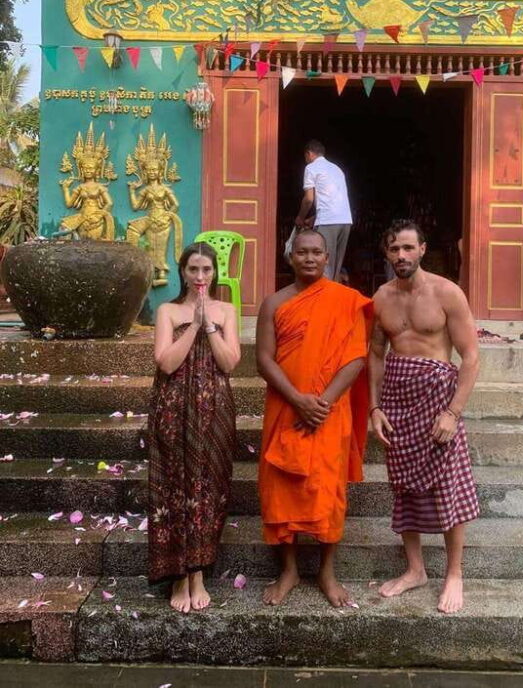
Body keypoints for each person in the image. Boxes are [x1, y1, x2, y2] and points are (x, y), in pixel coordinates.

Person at [368, 219, 479, 614]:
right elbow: (377, 353)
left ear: (423, 249)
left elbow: (471, 357)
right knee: (403, 486)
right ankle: (415, 569)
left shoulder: (447, 293)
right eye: (394, 248)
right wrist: (375, 407)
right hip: (397, 398)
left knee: (448, 485)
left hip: (438, 399)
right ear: (387, 252)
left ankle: (454, 573)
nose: (402, 255)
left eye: (408, 248)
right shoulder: (381, 297)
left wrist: (453, 412)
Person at [256, 229, 372, 607]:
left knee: (328, 488)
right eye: (301, 252)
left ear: (327, 258)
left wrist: (321, 402)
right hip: (286, 406)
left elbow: (355, 357)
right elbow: (264, 360)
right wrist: (297, 400)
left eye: (316, 253)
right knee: (279, 485)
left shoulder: (345, 301)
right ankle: (288, 570)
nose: (309, 258)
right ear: (290, 256)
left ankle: (326, 570)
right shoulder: (273, 303)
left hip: (329, 410)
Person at [148, 242, 241, 613]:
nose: (200, 277)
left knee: (207, 486)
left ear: (214, 273)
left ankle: (199, 573)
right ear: (182, 272)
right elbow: (166, 363)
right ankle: (178, 576)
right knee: (174, 486)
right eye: (193, 270)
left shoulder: (227, 310)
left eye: (206, 270)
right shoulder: (167, 311)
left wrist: (212, 325)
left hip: (213, 409)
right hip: (173, 407)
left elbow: (230, 363)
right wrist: (194, 326)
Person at [294, 140, 352, 282]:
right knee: (335, 269)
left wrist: (300, 218)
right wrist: (313, 218)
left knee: (323, 266)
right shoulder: (337, 169)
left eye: (305, 157)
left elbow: (308, 199)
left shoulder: (312, 168)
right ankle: (334, 301)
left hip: (328, 222)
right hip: (345, 221)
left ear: (309, 154)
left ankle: (322, 302)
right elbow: (333, 201)